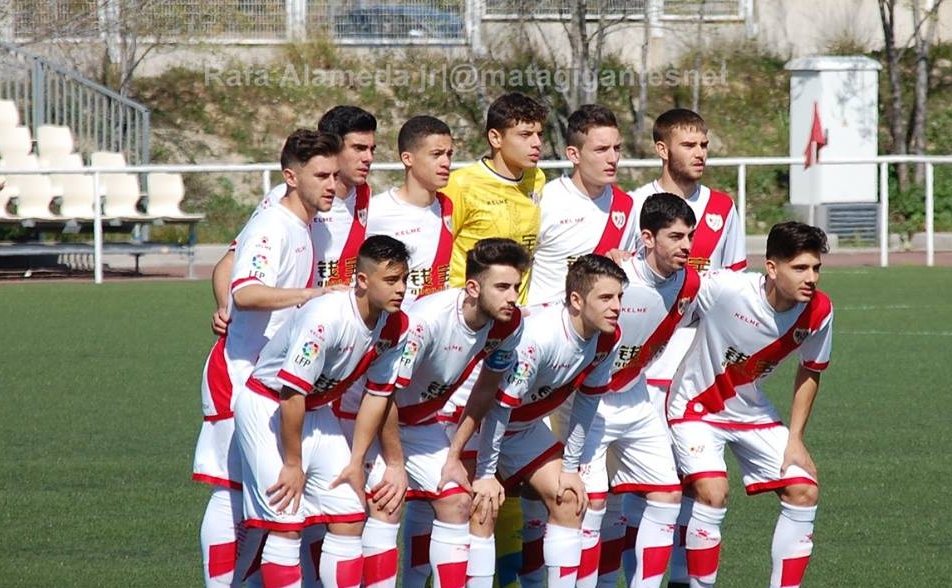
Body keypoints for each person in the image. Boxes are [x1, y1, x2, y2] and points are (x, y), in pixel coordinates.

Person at [405, 92, 549, 588]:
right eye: (525, 135)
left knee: (495, 473)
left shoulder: (538, 182)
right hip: (459, 343)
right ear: (495, 137)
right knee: (452, 474)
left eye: (539, 134)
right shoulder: (463, 184)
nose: (536, 144)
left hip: (507, 341)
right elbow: (446, 257)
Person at [192, 129, 342, 587]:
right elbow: (248, 292)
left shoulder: (307, 225)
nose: (331, 184)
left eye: (334, 174)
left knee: (264, 496)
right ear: (290, 177)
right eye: (321, 175)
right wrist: (314, 295)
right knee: (230, 491)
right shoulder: (271, 225)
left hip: (271, 377)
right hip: (238, 373)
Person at [233, 235, 411, 588]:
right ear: (362, 281)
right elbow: (291, 393)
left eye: (405, 278)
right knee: (285, 520)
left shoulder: (396, 325)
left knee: (348, 514)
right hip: (269, 406)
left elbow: (377, 396)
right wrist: (293, 464)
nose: (401, 289)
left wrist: (356, 461)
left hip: (313, 408)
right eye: (391, 280)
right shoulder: (325, 318)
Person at [443, 254, 627, 588]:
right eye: (606, 297)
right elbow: (496, 409)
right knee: (482, 509)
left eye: (619, 297)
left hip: (521, 427)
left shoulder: (608, 336)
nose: (616, 306)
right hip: (475, 421)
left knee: (568, 498)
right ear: (575, 300)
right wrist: (485, 474)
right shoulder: (538, 338)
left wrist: (570, 468)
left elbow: (587, 402)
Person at [667, 221, 833, 588]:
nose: (811, 278)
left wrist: (796, 438)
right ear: (772, 268)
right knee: (712, 492)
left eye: (816, 268)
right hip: (695, 408)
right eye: (800, 268)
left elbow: (811, 370)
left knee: (804, 488)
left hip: (749, 411)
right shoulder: (729, 288)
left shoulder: (819, 311)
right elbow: (674, 280)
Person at [329, 115, 457, 588]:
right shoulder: (375, 213)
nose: (447, 163)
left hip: (432, 367)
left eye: (449, 154)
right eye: (437, 154)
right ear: (407, 159)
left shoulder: (449, 209)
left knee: (428, 496)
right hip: (377, 364)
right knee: (365, 493)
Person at [622, 108, 747, 588]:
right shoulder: (635, 205)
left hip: (699, 363)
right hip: (644, 363)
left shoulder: (721, 206)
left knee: (695, 478)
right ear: (662, 149)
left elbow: (731, 286)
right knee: (643, 484)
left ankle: (680, 578)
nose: (700, 154)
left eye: (704, 145)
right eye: (689, 145)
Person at [363, 237, 530, 588]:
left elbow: (485, 389)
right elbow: (385, 394)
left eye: (516, 286)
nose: (513, 297)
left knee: (456, 501)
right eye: (502, 287)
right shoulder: (425, 322)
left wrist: (454, 453)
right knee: (387, 502)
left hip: (421, 422)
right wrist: (395, 464)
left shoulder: (509, 324)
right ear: (472, 287)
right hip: (373, 416)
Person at [554, 193, 701, 588]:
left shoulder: (691, 281)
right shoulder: (617, 278)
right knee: (592, 503)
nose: (686, 246)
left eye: (690, 236)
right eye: (676, 237)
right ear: (647, 238)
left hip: (636, 400)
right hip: (589, 402)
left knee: (668, 495)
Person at [211, 105, 378, 335]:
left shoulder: (364, 196)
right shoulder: (286, 200)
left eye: (372, 149)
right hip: (286, 331)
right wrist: (224, 307)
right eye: (359, 148)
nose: (368, 158)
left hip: (332, 326)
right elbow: (230, 262)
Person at [526, 103, 638, 306]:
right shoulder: (545, 201)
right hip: (546, 328)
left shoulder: (627, 206)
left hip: (599, 331)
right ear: (573, 154)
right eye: (601, 150)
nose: (613, 158)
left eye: (617, 148)